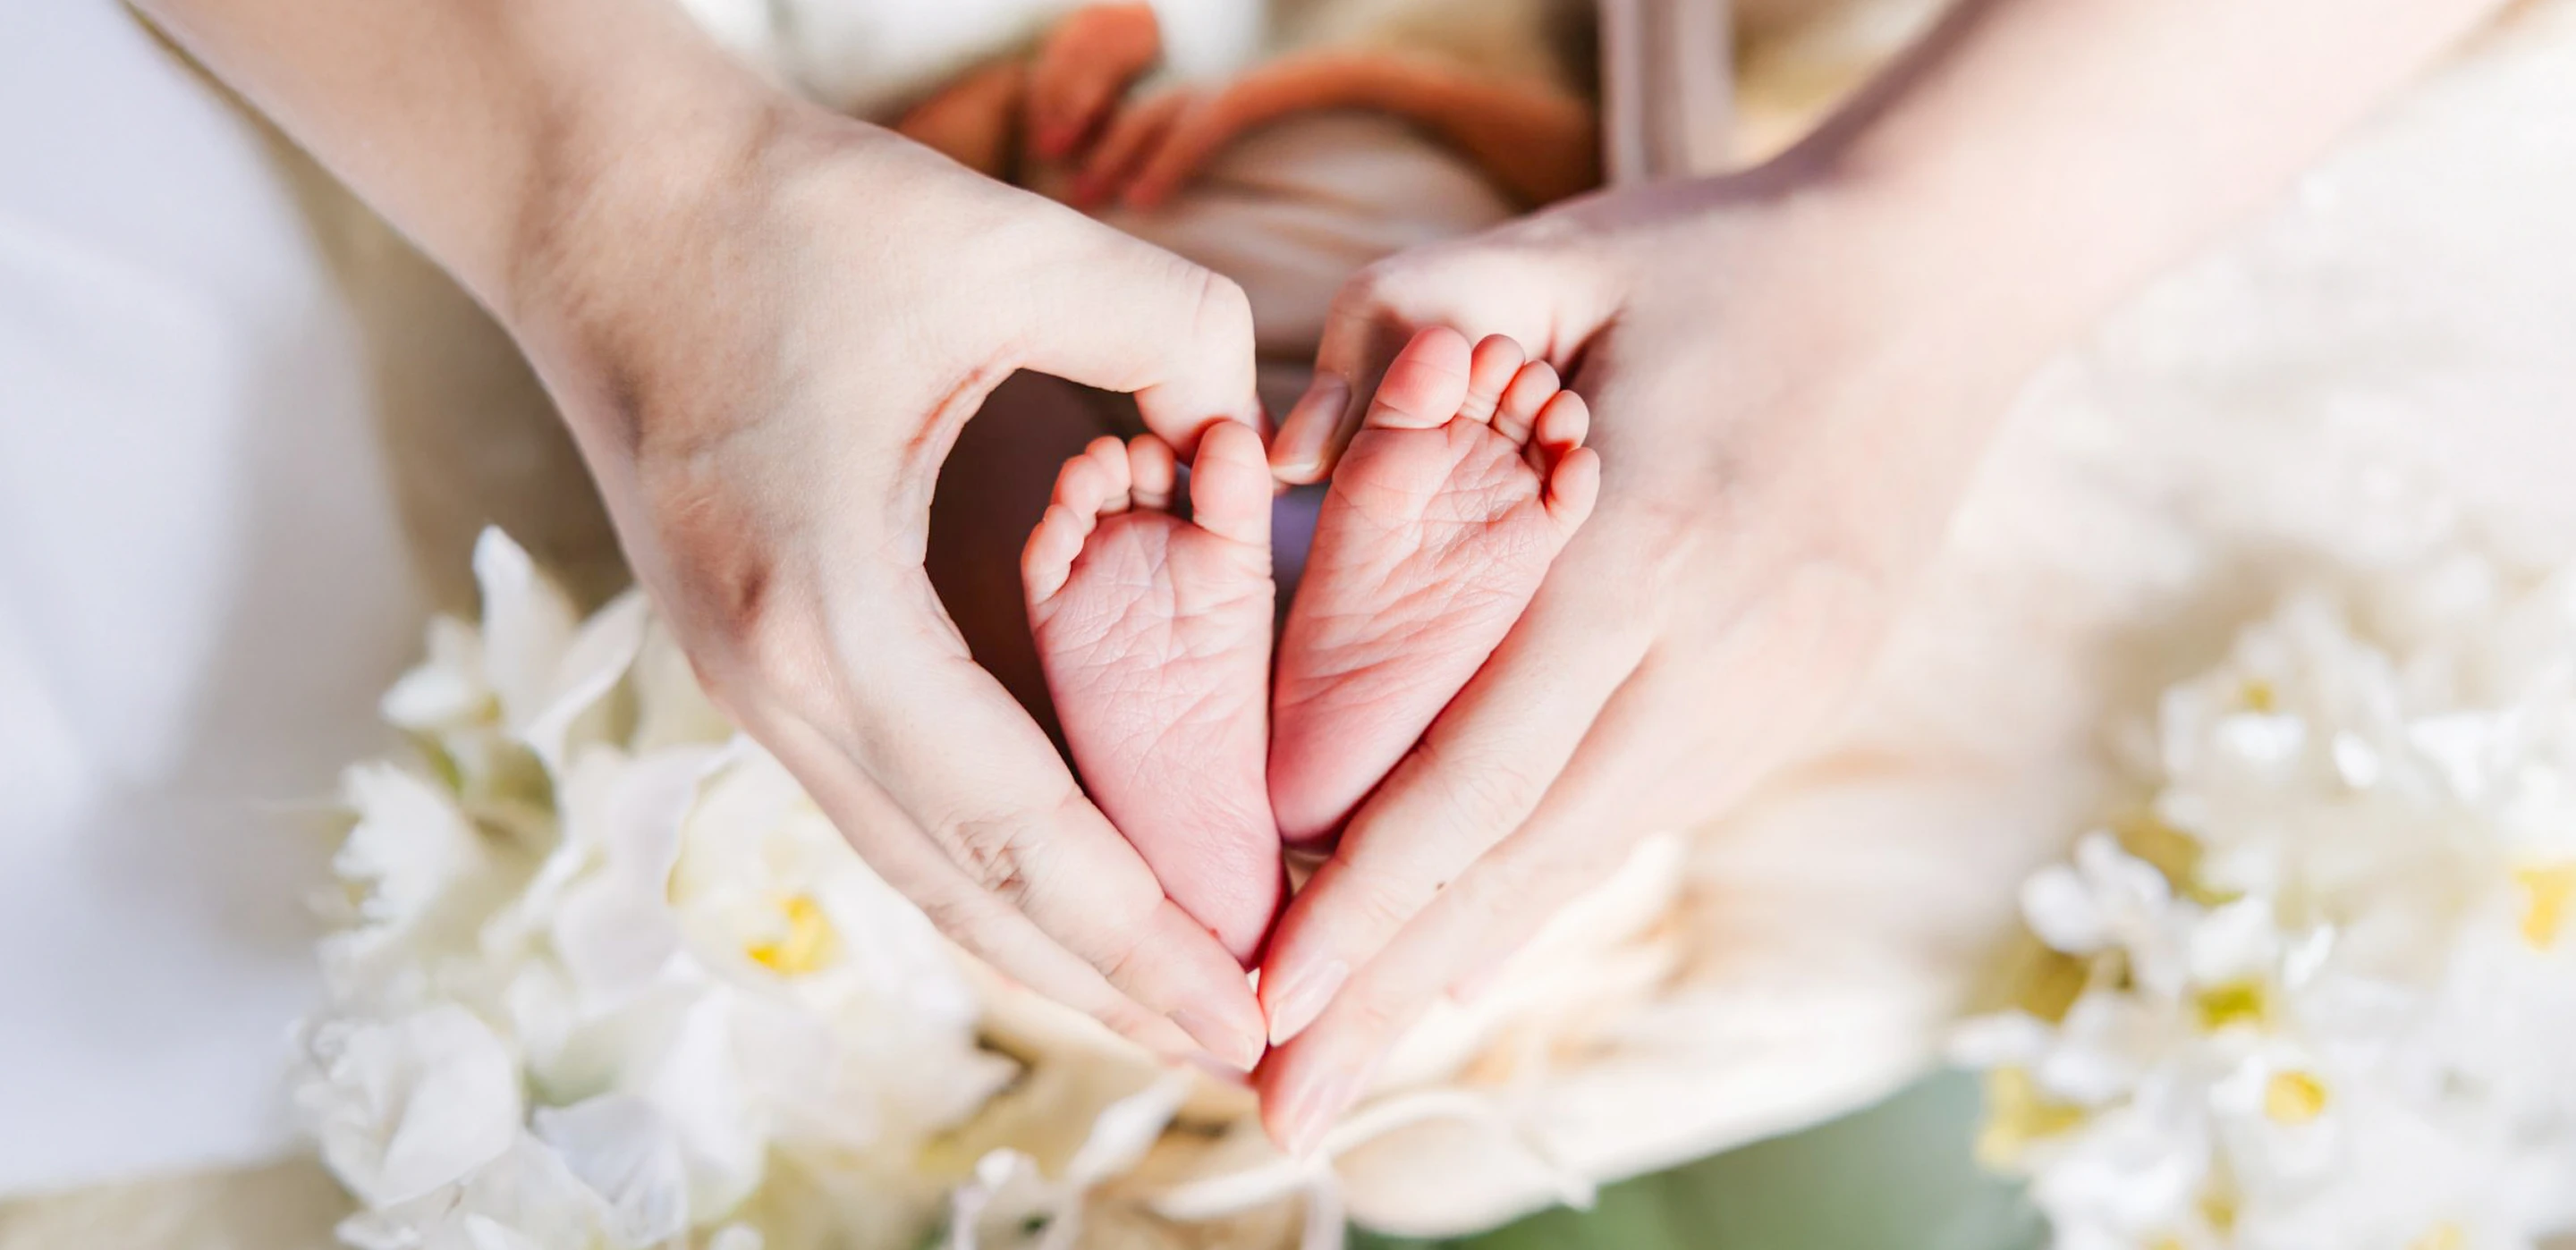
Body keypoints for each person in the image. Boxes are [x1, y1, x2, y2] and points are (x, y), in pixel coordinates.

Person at [132, 0, 2509, 1155]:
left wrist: (636, 211)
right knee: (1497, 519)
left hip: (1066, 217)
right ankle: (1290, 746)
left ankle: (1203, 734)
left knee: (1089, 438)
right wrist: (1927, 248)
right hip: (1556, 198)